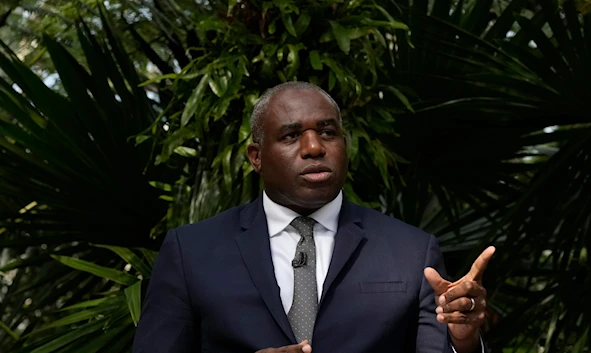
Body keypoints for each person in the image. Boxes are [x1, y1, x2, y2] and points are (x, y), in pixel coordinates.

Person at [132, 82, 495, 353]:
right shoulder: (191, 251)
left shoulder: (411, 251)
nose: (314, 148)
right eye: (291, 135)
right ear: (256, 157)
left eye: (327, 132)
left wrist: (462, 341)